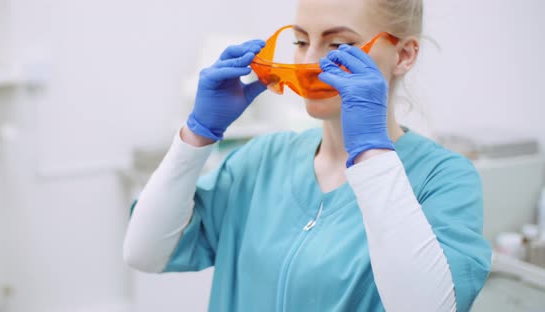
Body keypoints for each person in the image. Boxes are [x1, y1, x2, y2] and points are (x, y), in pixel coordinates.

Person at [122, 0, 492, 311]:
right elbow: (144, 253)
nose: (310, 62)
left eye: (337, 47)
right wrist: (196, 136)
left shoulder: (443, 178)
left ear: (404, 55)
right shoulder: (262, 159)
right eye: (300, 41)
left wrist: (371, 153)